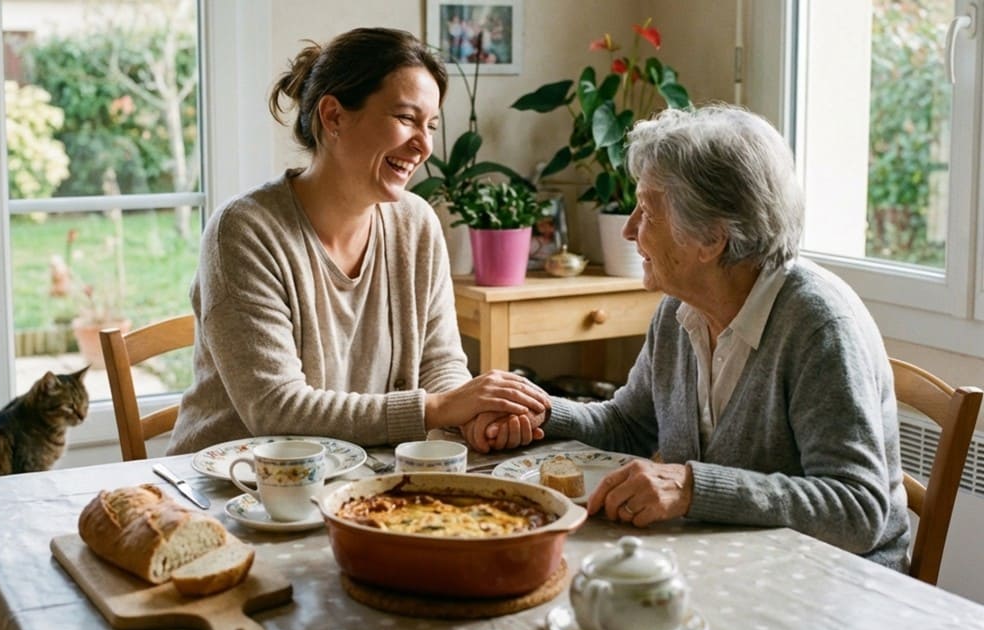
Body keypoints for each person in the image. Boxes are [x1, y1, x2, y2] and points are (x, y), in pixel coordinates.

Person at [503, 104, 911, 570]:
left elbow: (856, 512)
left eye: (647, 212)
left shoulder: (817, 324)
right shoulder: (680, 310)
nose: (630, 229)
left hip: (831, 584)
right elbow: (628, 426)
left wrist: (694, 488)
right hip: (728, 560)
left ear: (712, 238)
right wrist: (537, 409)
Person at [168, 27, 547, 455]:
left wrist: (473, 419)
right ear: (333, 117)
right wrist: (439, 409)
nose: (423, 145)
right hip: (232, 483)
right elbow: (275, 409)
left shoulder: (416, 222)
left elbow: (439, 363)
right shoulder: (245, 231)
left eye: (431, 125)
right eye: (406, 119)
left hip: (362, 478)